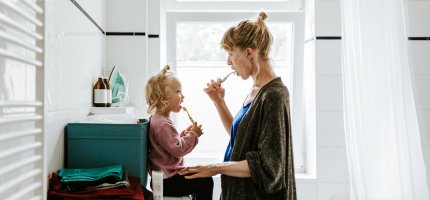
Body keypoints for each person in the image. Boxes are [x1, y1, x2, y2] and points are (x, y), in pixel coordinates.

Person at [178, 12, 297, 199]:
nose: (228, 62)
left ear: (249, 53)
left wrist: (215, 168)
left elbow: (270, 165)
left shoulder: (274, 95)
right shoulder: (256, 90)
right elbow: (241, 138)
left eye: (231, 54)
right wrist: (219, 102)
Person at [145, 65, 214, 199]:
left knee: (199, 176)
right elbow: (178, 150)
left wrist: (183, 135)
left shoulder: (159, 120)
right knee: (205, 181)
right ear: (163, 98)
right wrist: (193, 135)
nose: (183, 96)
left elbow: (168, 145)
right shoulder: (162, 123)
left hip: (164, 179)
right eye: (178, 92)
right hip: (167, 182)